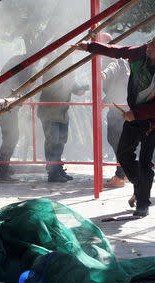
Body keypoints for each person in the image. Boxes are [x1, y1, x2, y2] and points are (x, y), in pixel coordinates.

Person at [73, 31, 155, 216]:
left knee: (146, 162)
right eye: (150, 41)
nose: (148, 45)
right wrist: (90, 47)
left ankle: (143, 203)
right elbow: (118, 51)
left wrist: (135, 114)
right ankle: (140, 185)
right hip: (134, 115)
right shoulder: (141, 53)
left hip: (153, 121)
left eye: (153, 45)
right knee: (122, 152)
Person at [37, 50, 88, 183]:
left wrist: (79, 89)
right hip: (50, 110)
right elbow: (51, 86)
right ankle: (52, 172)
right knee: (52, 142)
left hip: (61, 111)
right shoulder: (52, 63)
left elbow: (71, 84)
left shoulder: (69, 65)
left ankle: (58, 168)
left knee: (60, 142)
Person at [0, 55, 33, 181]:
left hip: (7, 104)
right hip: (6, 105)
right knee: (11, 136)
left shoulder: (18, 61)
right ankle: (2, 170)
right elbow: (25, 86)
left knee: (11, 136)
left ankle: (3, 166)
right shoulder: (25, 65)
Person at [101, 58, 130, 187]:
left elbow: (112, 68)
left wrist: (105, 73)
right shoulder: (125, 63)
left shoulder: (115, 61)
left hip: (118, 109)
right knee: (121, 142)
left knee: (116, 141)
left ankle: (120, 175)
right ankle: (127, 172)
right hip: (122, 107)